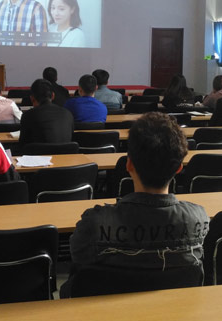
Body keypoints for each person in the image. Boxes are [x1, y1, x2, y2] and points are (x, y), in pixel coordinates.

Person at [62, 112, 208, 296]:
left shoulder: (94, 223)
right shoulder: (199, 218)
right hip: (172, 310)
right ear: (179, 168)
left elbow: (78, 258)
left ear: (129, 164)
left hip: (105, 310)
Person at [19, 79, 74, 145]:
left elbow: (22, 145)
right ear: (53, 96)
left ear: (32, 98)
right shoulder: (67, 114)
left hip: (37, 151)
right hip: (65, 151)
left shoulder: (27, 116)